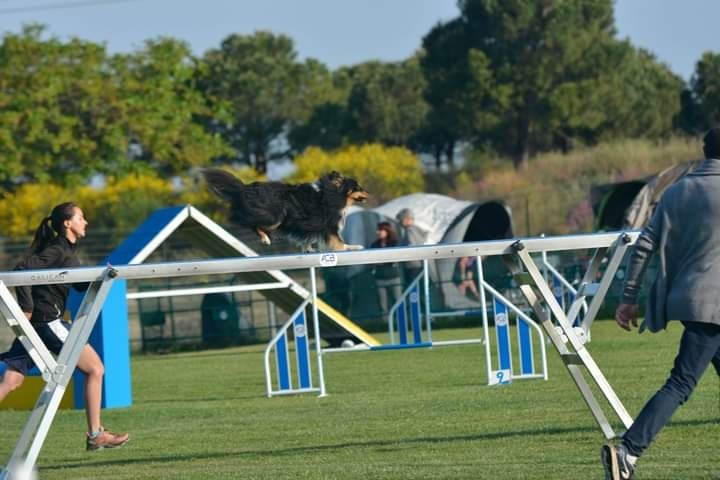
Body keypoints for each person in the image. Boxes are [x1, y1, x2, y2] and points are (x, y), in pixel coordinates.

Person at [601, 128, 720, 480]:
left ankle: (629, 451)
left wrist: (628, 299)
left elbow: (643, 246)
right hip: (713, 307)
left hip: (688, 300)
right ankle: (628, 451)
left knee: (683, 381)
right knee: (680, 383)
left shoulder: (676, 192)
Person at [0, 202, 129, 452]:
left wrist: (99, 276)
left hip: (37, 327)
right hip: (48, 323)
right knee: (95, 369)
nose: (86, 222)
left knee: (11, 380)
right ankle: (95, 434)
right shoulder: (58, 249)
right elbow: (22, 269)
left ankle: (96, 434)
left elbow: (74, 285)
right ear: (67, 223)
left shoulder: (67, 251)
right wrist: (25, 309)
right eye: (81, 217)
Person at [370, 222, 403, 315]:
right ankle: (385, 325)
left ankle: (400, 322)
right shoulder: (374, 245)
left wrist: (382, 261)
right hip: (380, 278)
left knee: (398, 302)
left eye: (380, 230)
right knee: (382, 305)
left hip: (394, 277)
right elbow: (372, 260)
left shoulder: (394, 244)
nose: (378, 232)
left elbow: (394, 260)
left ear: (387, 231)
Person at [395, 208, 428, 287]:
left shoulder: (410, 230)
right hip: (419, 264)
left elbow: (411, 247)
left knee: (413, 291)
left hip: (412, 266)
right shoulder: (416, 229)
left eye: (401, 219)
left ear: (406, 219)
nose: (399, 222)